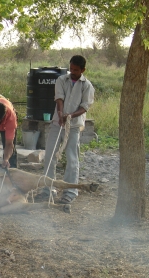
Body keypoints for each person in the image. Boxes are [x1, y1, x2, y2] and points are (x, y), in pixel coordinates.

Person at [35, 55, 95, 204]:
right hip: (57, 123)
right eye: (71, 68)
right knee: (50, 155)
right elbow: (59, 98)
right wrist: (61, 113)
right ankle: (48, 189)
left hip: (73, 127)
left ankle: (70, 192)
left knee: (72, 158)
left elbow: (84, 107)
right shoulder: (62, 80)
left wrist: (70, 116)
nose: (72, 71)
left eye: (75, 70)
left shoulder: (87, 86)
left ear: (83, 70)